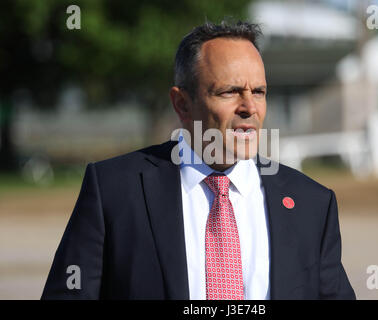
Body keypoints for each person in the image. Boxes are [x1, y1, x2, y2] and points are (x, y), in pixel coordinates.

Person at [41, 20, 355, 300]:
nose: (249, 107)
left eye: (258, 91)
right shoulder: (113, 191)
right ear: (182, 104)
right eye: (230, 91)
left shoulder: (312, 204)